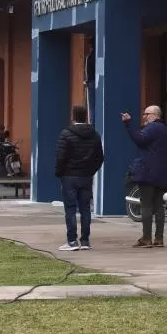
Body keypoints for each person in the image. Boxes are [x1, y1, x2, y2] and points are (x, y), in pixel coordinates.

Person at [54, 105, 104, 251]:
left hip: (69, 176)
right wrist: (91, 171)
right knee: (85, 208)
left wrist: (59, 172)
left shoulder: (66, 134)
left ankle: (72, 241)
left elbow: (60, 156)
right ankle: (85, 241)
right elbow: (100, 158)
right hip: (86, 176)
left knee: (70, 208)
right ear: (85, 116)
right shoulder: (95, 135)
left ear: (73, 116)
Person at [122, 105, 167, 248]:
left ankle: (146, 238)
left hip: (148, 172)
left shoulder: (153, 128)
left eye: (146, 114)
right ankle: (159, 238)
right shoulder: (166, 131)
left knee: (146, 205)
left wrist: (128, 124)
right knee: (159, 206)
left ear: (155, 115)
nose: (144, 117)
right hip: (161, 172)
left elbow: (139, 139)